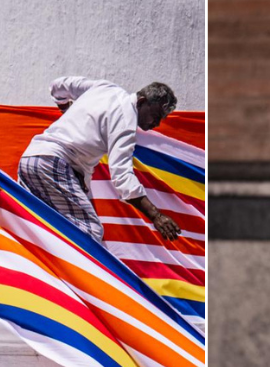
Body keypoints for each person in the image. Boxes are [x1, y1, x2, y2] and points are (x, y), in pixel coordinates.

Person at [18, 77, 181, 245]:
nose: (156, 124)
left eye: (161, 119)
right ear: (141, 101)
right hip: (52, 164)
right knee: (91, 233)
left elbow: (58, 86)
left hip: (31, 159)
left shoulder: (104, 87)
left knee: (46, 229)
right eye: (155, 116)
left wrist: (65, 110)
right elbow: (122, 177)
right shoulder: (126, 121)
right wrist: (156, 215)